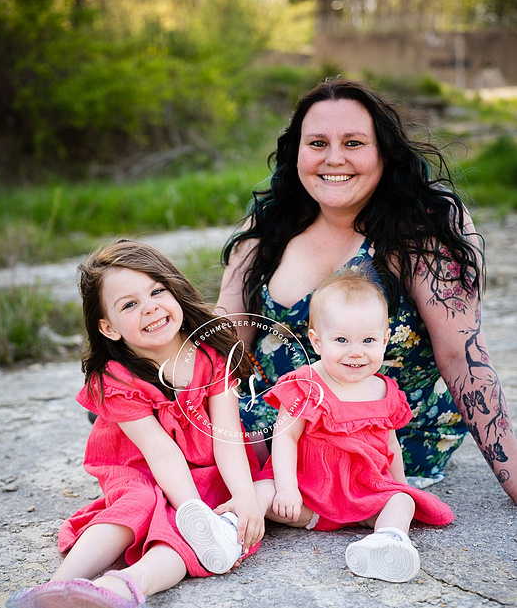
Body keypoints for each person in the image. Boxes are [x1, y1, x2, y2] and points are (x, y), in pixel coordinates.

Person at [217, 78, 517, 503]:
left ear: (383, 151)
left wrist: (515, 480)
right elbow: (223, 347)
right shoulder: (267, 227)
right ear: (296, 152)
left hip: (378, 432)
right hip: (279, 426)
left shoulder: (424, 227)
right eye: (317, 143)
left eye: (354, 142)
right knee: (145, 422)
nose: (334, 158)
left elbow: (462, 356)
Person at [5, 240, 263, 608]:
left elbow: (226, 436)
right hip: (139, 468)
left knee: (189, 534)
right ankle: (57, 590)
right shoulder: (116, 378)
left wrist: (241, 496)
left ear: (175, 291)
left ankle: (124, 587)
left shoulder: (211, 355)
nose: (150, 308)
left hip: (204, 469)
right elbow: (160, 454)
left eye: (157, 291)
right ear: (108, 327)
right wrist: (192, 510)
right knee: (138, 502)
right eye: (128, 305)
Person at [255, 271, 454, 583]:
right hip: (306, 497)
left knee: (402, 500)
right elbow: (285, 437)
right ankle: (232, 528)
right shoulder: (305, 384)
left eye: (369, 340)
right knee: (260, 490)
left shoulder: (385, 391)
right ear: (317, 341)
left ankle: (387, 541)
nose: (357, 351)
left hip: (362, 498)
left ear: (385, 340)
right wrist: (287, 488)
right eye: (342, 340)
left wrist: (400, 485)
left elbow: (391, 446)